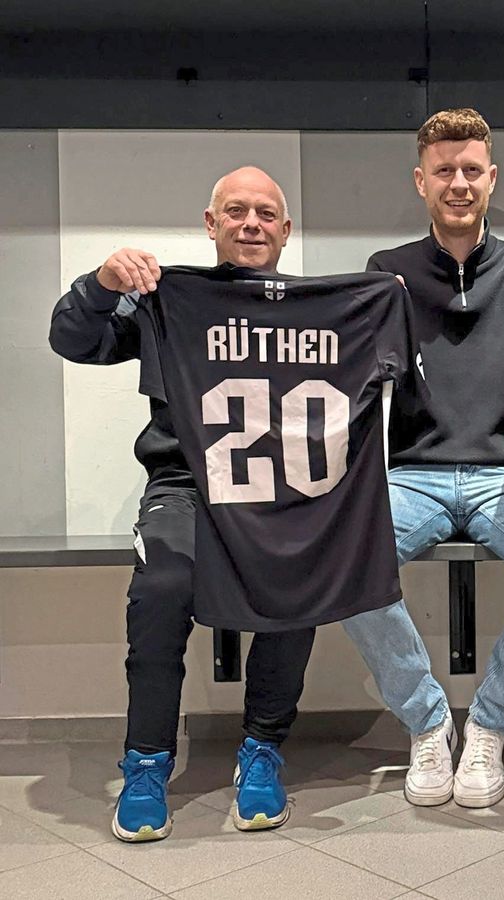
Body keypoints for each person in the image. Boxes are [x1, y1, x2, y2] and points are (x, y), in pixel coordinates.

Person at [49, 166, 317, 841]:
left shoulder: (315, 307)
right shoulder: (167, 301)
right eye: (235, 211)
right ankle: (146, 762)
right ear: (211, 223)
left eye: (264, 213)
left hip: (279, 491)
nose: (250, 223)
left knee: (298, 586)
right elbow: (73, 340)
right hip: (184, 486)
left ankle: (261, 748)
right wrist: (101, 283)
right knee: (162, 588)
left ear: (285, 231)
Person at [342, 108, 504, 808]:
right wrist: (379, 315)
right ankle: (429, 724)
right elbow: (357, 372)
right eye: (443, 172)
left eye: (470, 171)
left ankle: (489, 728)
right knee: (349, 563)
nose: (457, 183)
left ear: (491, 179)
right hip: (414, 475)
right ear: (420, 181)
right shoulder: (387, 271)